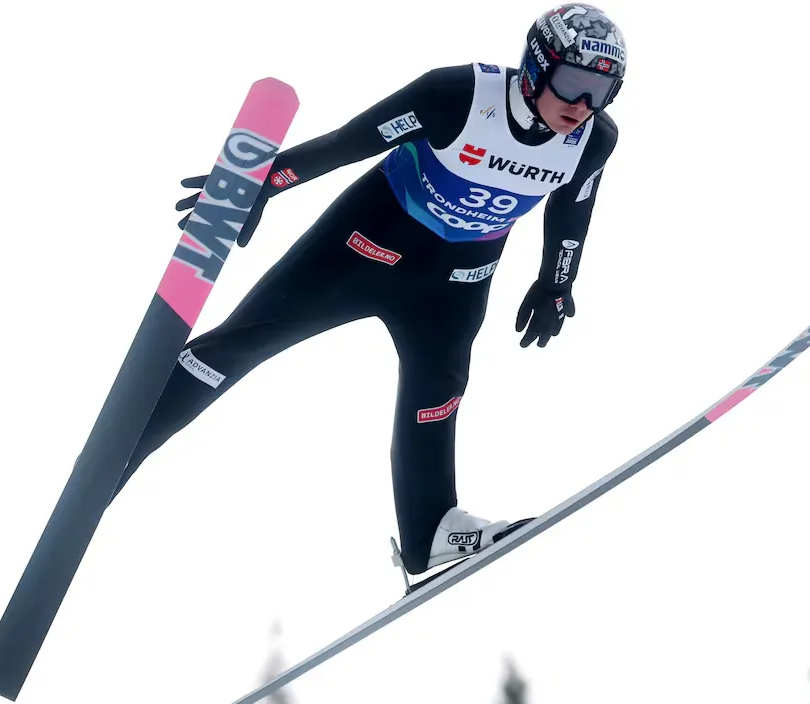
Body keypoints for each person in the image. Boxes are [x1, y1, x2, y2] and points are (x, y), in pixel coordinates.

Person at [110, 4, 627, 576]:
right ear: (535, 67)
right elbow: (348, 141)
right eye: (574, 82)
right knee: (245, 341)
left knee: (439, 396)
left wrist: (556, 285)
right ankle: (123, 445)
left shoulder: (592, 140)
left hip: (455, 281)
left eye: (602, 91)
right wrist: (265, 183)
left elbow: (573, 211)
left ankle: (431, 532)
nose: (582, 106)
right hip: (363, 246)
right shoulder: (457, 94)